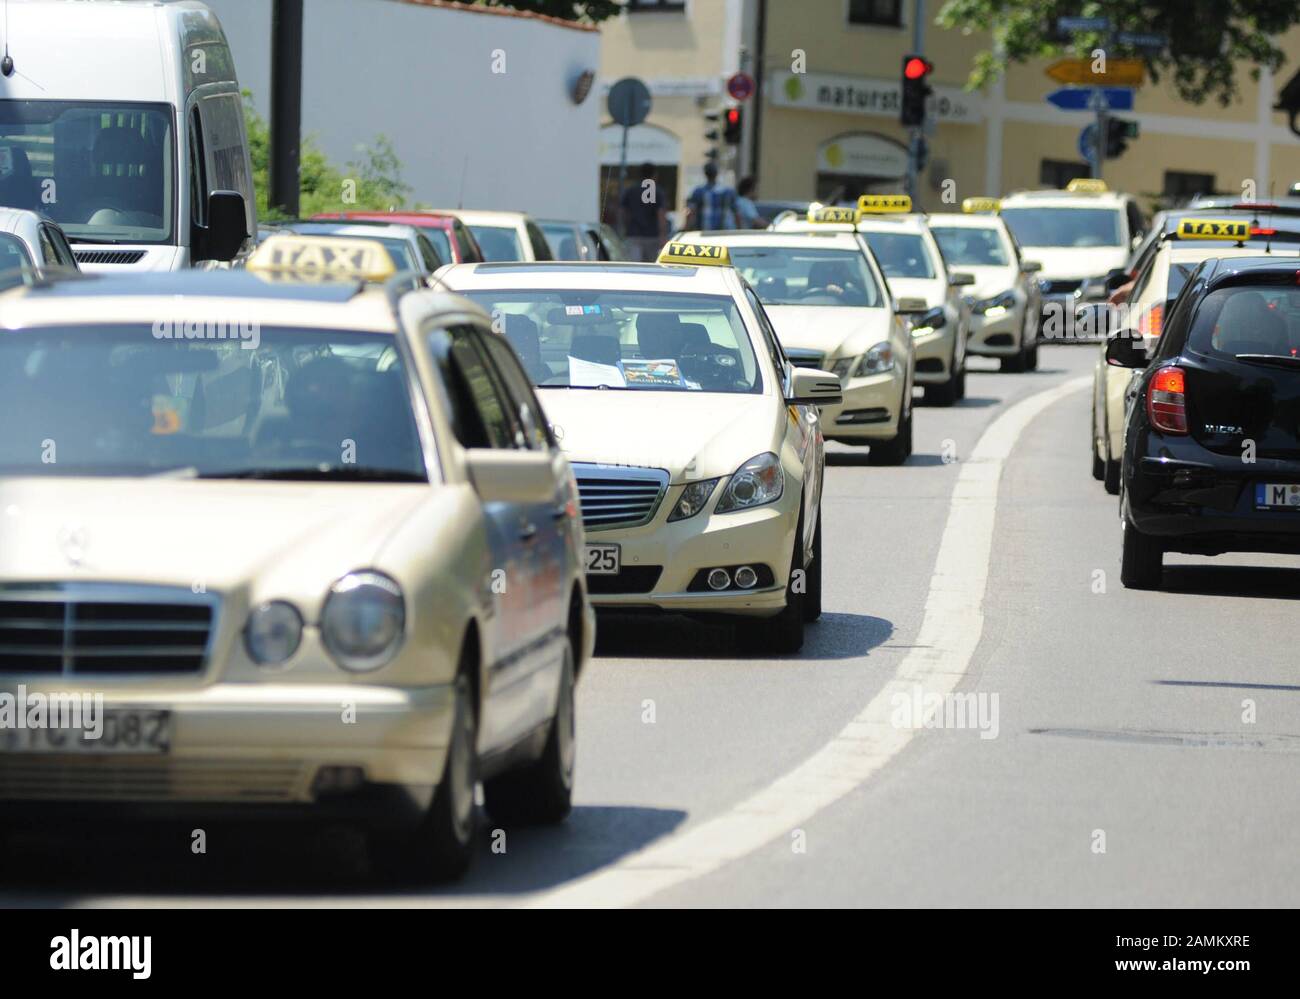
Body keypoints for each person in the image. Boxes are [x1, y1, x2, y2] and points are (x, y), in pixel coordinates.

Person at [619, 162, 668, 262]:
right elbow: (661, 214)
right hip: (652, 236)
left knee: (634, 266)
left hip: (633, 234)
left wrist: (625, 227)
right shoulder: (658, 191)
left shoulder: (631, 190)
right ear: (654, 175)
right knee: (650, 266)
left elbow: (623, 212)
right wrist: (663, 235)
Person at [685, 162, 737, 231]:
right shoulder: (728, 192)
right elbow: (736, 213)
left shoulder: (698, 192)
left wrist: (686, 228)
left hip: (704, 232)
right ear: (717, 173)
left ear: (705, 174)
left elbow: (691, 213)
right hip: (725, 232)